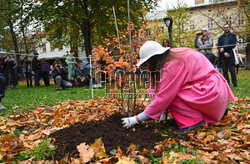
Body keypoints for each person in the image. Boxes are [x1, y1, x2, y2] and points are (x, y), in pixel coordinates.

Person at [121, 41, 235, 134]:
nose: (145, 67)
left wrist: (136, 119)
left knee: (175, 94)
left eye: (145, 63)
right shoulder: (172, 55)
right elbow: (159, 89)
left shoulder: (170, 66)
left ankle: (193, 122)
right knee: (173, 91)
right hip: (216, 95)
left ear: (153, 59)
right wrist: (162, 114)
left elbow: (163, 97)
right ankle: (213, 111)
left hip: (211, 93)